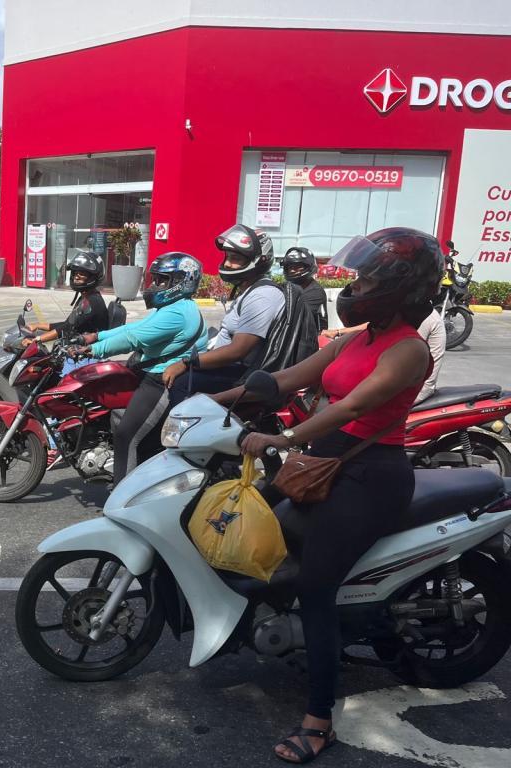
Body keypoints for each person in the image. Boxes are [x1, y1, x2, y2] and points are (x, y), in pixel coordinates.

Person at [217, 227, 441, 764]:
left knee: (316, 586)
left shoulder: (408, 349)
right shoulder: (355, 339)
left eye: (366, 278)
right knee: (244, 519)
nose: (355, 286)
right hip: (319, 463)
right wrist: (205, 400)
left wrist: (284, 437)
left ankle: (319, 720)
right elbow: (285, 377)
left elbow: (352, 408)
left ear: (398, 287)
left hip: (368, 474)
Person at [73, 253, 206, 484]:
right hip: (148, 371)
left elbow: (133, 338)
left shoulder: (178, 312)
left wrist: (94, 350)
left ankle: (120, 500)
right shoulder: (173, 306)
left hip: (160, 379)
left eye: (163, 281)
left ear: (182, 281)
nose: (156, 286)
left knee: (126, 435)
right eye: (156, 280)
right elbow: (136, 327)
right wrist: (94, 337)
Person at [162, 224, 284, 405]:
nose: (227, 263)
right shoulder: (250, 291)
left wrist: (186, 363)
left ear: (259, 260)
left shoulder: (262, 295)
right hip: (230, 367)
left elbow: (237, 351)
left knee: (180, 383)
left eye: (235, 258)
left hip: (241, 374)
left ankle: (184, 432)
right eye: (227, 256)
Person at [323, 308, 446, 404]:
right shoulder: (400, 317)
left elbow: (351, 408)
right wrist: (339, 332)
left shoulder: (418, 324)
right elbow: (372, 326)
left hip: (414, 393)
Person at [24, 250, 109, 373]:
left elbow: (67, 328)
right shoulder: (86, 297)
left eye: (82, 273)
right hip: (78, 351)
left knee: (55, 384)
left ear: (93, 277)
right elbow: (68, 323)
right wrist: (37, 326)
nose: (76, 276)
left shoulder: (92, 302)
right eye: (75, 273)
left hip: (87, 356)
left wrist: (36, 340)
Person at [283, 247, 327, 331]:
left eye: (297, 266)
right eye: (290, 267)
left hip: (310, 339)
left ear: (308, 266)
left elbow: (290, 316)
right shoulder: (291, 287)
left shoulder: (315, 292)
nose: (292, 270)